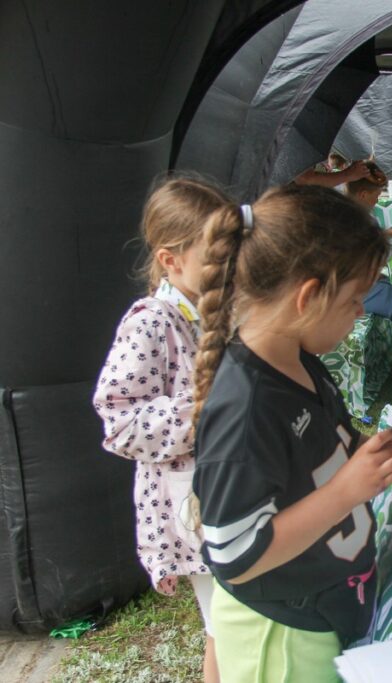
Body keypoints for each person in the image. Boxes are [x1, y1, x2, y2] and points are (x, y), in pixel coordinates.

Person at [190, 184, 392, 681]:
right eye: (353, 300)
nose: (362, 312)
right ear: (309, 296)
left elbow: (341, 449)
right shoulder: (245, 407)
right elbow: (234, 555)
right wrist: (347, 491)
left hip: (323, 609)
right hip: (282, 635)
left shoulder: (300, 361)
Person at [93, 176, 230, 683]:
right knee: (225, 625)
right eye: (215, 256)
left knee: (231, 622)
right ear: (171, 260)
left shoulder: (210, 310)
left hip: (226, 490)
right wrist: (203, 407)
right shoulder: (152, 322)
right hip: (191, 503)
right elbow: (120, 421)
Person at [345, 159, 392, 323]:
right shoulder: (357, 219)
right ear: (363, 195)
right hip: (355, 294)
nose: (377, 201)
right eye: (377, 196)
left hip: (357, 286)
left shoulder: (347, 212)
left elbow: (369, 236)